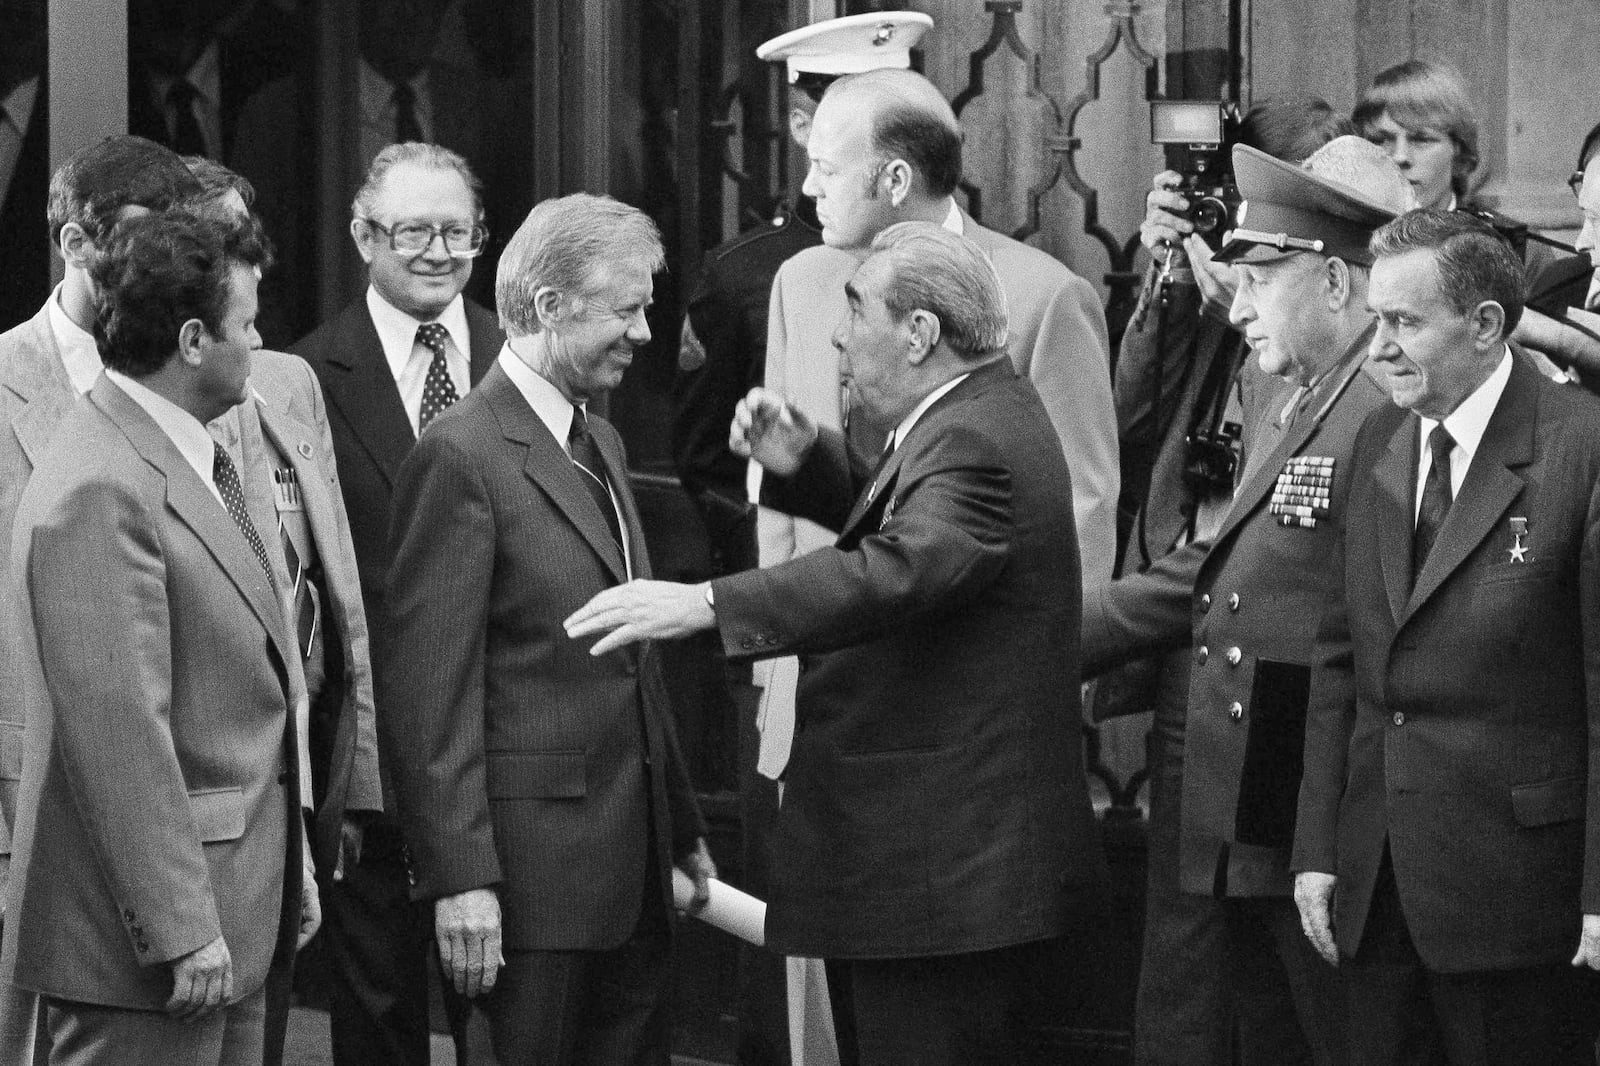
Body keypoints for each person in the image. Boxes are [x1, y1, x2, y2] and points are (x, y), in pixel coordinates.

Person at [566, 221, 1106, 1065]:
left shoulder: (975, 439)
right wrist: (807, 458)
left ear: (921, 333)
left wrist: (709, 600)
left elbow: (904, 566)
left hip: (942, 885)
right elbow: (915, 517)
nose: (836, 337)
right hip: (937, 879)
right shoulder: (975, 410)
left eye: (857, 312)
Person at [1082, 136, 1418, 1066]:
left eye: (1263, 277)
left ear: (1340, 284)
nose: (1239, 302)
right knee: (1222, 1002)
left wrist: (1063, 633)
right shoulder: (1289, 391)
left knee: (1312, 1013)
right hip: (1245, 733)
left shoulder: (1386, 410)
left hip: (1305, 752)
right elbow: (1217, 554)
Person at [379, 193, 713, 1065]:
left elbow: (630, 660)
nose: (646, 331)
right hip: (525, 893)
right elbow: (428, 694)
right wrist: (460, 882)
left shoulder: (598, 440)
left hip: (631, 876)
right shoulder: (460, 455)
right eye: (628, 308)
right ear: (552, 306)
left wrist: (680, 826)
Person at [668, 13, 931, 1065]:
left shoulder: (979, 273)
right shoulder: (761, 275)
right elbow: (710, 462)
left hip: (921, 652)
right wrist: (778, 596)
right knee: (789, 921)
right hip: (788, 641)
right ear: (798, 122)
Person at [3, 210, 317, 1066]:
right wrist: (182, 929)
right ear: (190, 340)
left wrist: (290, 869)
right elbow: (119, 737)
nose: (259, 344)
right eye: (247, 325)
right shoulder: (102, 484)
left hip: (234, 917)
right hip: (156, 956)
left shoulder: (175, 453)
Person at [1293, 208, 1600, 1064]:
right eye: (1374, 319)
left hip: (1519, 902)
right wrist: (1317, 845)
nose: (1378, 346)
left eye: (1404, 323)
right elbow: (1338, 663)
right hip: (1376, 885)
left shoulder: (1581, 448)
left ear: (1487, 326)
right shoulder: (1381, 437)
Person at [289, 142, 503, 1066]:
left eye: (457, 231)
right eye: (414, 229)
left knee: (503, 1026)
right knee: (376, 1029)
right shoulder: (299, 377)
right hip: (369, 763)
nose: (437, 251)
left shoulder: (518, 361)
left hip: (504, 753)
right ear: (363, 234)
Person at [0, 134, 204, 1066]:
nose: (171, 263)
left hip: (183, 818)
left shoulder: (212, 385)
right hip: (21, 807)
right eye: (142, 238)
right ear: (77, 244)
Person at [184, 159, 383, 1066]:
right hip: (181, 805)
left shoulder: (287, 381)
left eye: (246, 239)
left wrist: (336, 790)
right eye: (221, 244)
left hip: (285, 786)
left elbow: (329, 595)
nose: (246, 263)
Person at [1354, 59, 1600, 379]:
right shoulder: (1345, 244)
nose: (1399, 156)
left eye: (1421, 139)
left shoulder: (1519, 251)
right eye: (1381, 140)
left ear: (1460, 153)